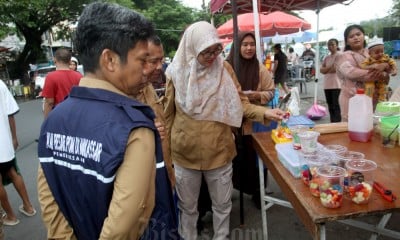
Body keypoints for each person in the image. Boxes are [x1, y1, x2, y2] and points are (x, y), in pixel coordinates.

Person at [37, 3, 172, 239]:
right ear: (109, 59)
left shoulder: (53, 121)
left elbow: (51, 205)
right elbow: (125, 228)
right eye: (142, 61)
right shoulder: (135, 129)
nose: (146, 71)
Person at [164, 21, 284, 240]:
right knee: (188, 208)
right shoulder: (176, 72)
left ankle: (222, 237)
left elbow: (240, 103)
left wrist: (264, 113)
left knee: (222, 204)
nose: (212, 56)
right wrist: (167, 156)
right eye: (206, 51)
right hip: (184, 152)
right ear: (192, 47)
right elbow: (168, 115)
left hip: (219, 150)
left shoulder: (224, 69)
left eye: (216, 50)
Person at [226, 31, 275, 207]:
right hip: (232, 124)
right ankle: (229, 192)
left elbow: (271, 92)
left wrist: (254, 95)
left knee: (256, 162)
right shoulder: (227, 67)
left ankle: (258, 194)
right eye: (245, 44)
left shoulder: (260, 68)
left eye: (252, 44)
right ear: (237, 46)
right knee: (234, 160)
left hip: (254, 124)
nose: (249, 48)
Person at [0, 80, 36, 227]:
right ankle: (28, 206)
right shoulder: (0, 84)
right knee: (12, 171)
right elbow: (10, 113)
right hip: (4, 143)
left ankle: (10, 216)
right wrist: (14, 137)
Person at [336, 25, 389, 121]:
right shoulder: (343, 56)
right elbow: (351, 73)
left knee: (370, 126)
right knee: (352, 126)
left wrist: (385, 71)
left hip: (372, 97)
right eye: (351, 36)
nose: (356, 37)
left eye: (358, 34)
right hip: (351, 98)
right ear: (347, 41)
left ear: (363, 36)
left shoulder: (372, 53)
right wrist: (379, 72)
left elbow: (386, 68)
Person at [41, 48, 82, 118]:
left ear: (54, 59)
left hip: (59, 117)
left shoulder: (51, 77)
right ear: (69, 61)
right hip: (76, 116)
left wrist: (47, 121)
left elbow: (49, 102)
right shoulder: (79, 76)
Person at [320, 38, 342, 122]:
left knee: (336, 106)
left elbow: (335, 69)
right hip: (327, 85)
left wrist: (326, 69)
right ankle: (332, 122)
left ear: (337, 45)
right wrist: (330, 67)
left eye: (332, 44)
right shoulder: (327, 57)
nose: (330, 46)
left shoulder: (340, 56)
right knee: (330, 106)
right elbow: (321, 70)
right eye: (329, 45)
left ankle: (337, 123)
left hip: (337, 85)